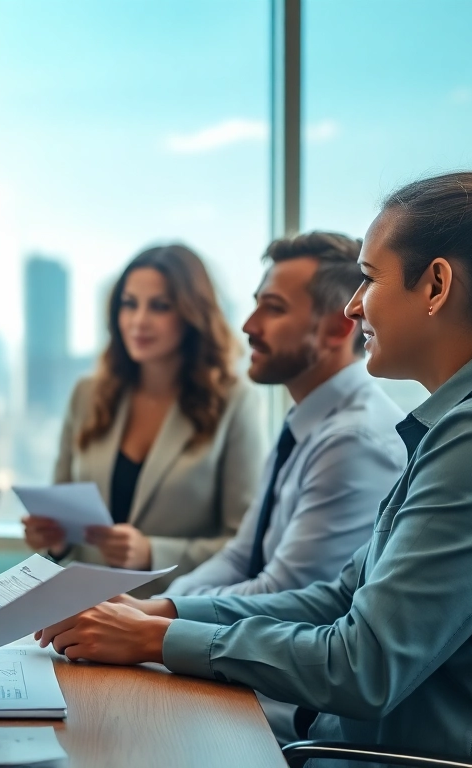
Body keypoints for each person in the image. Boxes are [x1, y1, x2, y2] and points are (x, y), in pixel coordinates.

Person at [37, 148, 472, 768]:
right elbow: (340, 595)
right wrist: (168, 610)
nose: (354, 305)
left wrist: (159, 637)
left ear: (437, 286)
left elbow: (364, 667)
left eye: (370, 277)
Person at [160, 232, 406, 741]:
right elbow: (240, 555)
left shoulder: (353, 439)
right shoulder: (307, 419)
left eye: (272, 309)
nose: (249, 326)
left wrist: (160, 625)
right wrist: (166, 607)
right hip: (242, 677)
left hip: (284, 711)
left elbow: (286, 591)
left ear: (341, 325)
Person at [23, 244, 266, 596]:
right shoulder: (87, 395)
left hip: (171, 621)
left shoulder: (234, 402)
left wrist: (152, 553)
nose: (138, 320)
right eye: (129, 303)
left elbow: (243, 545)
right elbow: (63, 522)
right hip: (81, 613)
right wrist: (54, 541)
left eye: (160, 306)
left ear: (191, 313)